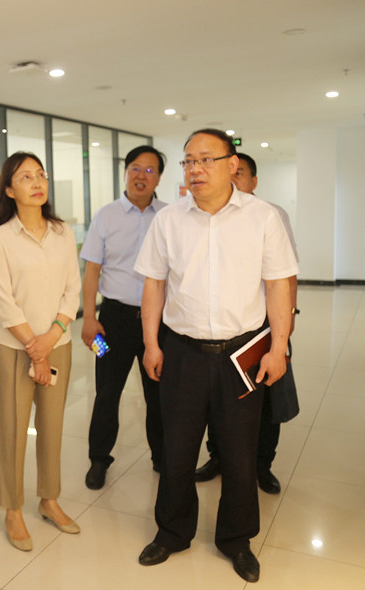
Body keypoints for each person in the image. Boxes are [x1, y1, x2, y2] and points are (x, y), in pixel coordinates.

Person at [134, 129, 298, 583]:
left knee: (240, 453)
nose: (195, 169)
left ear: (232, 165)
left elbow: (278, 286)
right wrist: (151, 343)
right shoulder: (169, 220)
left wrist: (278, 347)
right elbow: (153, 284)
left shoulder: (263, 217)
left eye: (206, 159)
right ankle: (172, 532)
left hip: (241, 354)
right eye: (189, 161)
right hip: (182, 352)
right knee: (177, 449)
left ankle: (236, 540)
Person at [0, 152, 82, 551]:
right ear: (10, 190)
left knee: (52, 425)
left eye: (40, 174)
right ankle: (12, 509)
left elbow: (72, 289)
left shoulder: (62, 233)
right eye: (25, 177)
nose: (37, 182)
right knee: (12, 429)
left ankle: (49, 500)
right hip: (15, 349)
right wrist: (34, 348)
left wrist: (51, 339)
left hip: (57, 344)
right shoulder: (1, 239)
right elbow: (3, 301)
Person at [195, 152, 300, 494]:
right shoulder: (208, 216)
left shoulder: (271, 215)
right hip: (222, 329)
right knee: (219, 400)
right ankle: (218, 457)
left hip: (264, 327)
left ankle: (262, 465)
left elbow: (287, 277)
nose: (234, 179)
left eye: (240, 174)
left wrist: (286, 325)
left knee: (266, 399)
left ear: (254, 181)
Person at [81, 146, 167, 490]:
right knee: (106, 391)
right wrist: (89, 318)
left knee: (159, 393)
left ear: (158, 178)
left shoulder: (169, 216)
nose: (140, 175)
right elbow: (91, 271)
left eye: (149, 170)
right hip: (111, 321)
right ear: (125, 172)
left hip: (158, 323)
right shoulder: (105, 216)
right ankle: (98, 459)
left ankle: (163, 458)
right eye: (135, 168)